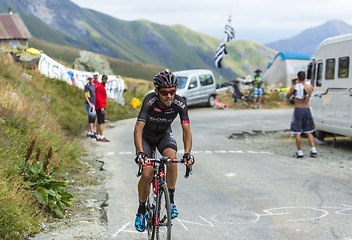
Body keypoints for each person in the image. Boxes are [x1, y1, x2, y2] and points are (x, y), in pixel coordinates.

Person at [134, 69, 194, 232]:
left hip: (163, 136)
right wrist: (140, 152)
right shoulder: (149, 101)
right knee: (147, 172)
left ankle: (171, 201)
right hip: (146, 137)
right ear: (157, 91)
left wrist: (187, 153)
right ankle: (141, 210)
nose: (169, 96)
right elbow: (138, 128)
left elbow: (186, 130)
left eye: (172, 92)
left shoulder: (180, 103)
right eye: (165, 92)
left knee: (172, 159)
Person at [286, 71, 317, 158]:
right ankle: (313, 149)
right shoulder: (310, 87)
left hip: (298, 109)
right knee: (309, 131)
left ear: (298, 78)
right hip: (307, 108)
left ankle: (300, 152)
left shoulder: (295, 87)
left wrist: (293, 85)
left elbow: (287, 96)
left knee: (297, 131)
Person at [95, 74, 110, 142]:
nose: (105, 80)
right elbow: (98, 98)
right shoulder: (100, 87)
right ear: (102, 79)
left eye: (106, 79)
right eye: (104, 79)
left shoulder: (101, 86)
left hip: (100, 106)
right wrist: (102, 107)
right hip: (100, 107)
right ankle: (101, 136)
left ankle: (98, 136)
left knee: (99, 122)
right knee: (101, 122)